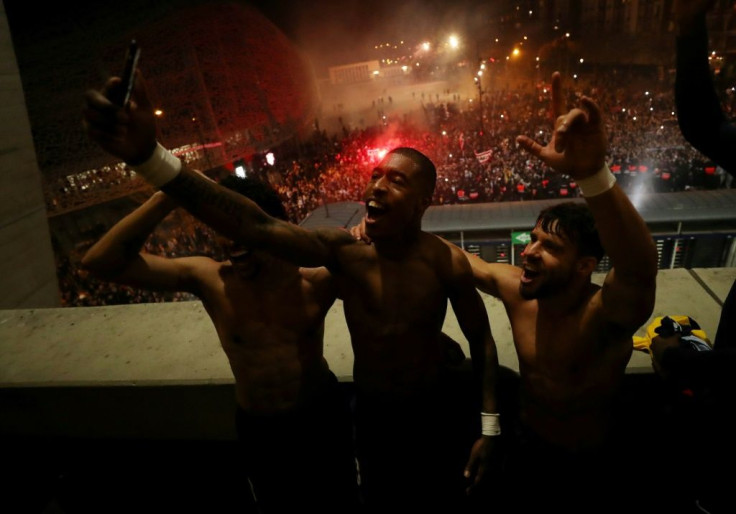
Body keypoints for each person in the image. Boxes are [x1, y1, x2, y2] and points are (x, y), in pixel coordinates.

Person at [83, 71, 500, 513]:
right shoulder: (342, 256)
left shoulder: (438, 264)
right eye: (376, 175)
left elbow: (474, 338)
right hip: (364, 418)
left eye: (396, 181)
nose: (377, 186)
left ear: (422, 204)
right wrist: (154, 160)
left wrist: (488, 426)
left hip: (423, 414)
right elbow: (255, 225)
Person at [352, 72, 659, 512]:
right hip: (524, 448)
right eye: (531, 239)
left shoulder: (605, 315)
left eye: (549, 248)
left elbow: (638, 268)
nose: (529, 253)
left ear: (585, 267)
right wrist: (384, 226)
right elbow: (453, 259)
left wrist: (593, 177)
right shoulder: (516, 291)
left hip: (586, 465)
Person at [80, 176, 361, 514]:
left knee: (340, 502)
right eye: (220, 229)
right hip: (260, 430)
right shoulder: (210, 280)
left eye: (241, 233)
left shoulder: (315, 281)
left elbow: (381, 277)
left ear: (271, 229)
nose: (229, 242)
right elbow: (101, 262)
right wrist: (168, 195)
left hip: (319, 421)